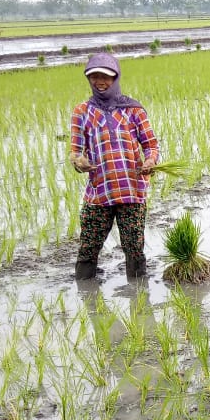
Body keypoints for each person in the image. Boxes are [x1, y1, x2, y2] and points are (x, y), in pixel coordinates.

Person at [69, 53, 160, 279]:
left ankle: (138, 298)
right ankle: (85, 287)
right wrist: (79, 162)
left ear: (116, 78)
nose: (100, 82)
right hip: (100, 192)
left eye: (106, 77)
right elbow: (75, 152)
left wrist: (150, 161)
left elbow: (151, 145)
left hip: (132, 190)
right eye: (94, 77)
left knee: (134, 247)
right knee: (89, 245)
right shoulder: (82, 112)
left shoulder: (133, 110)